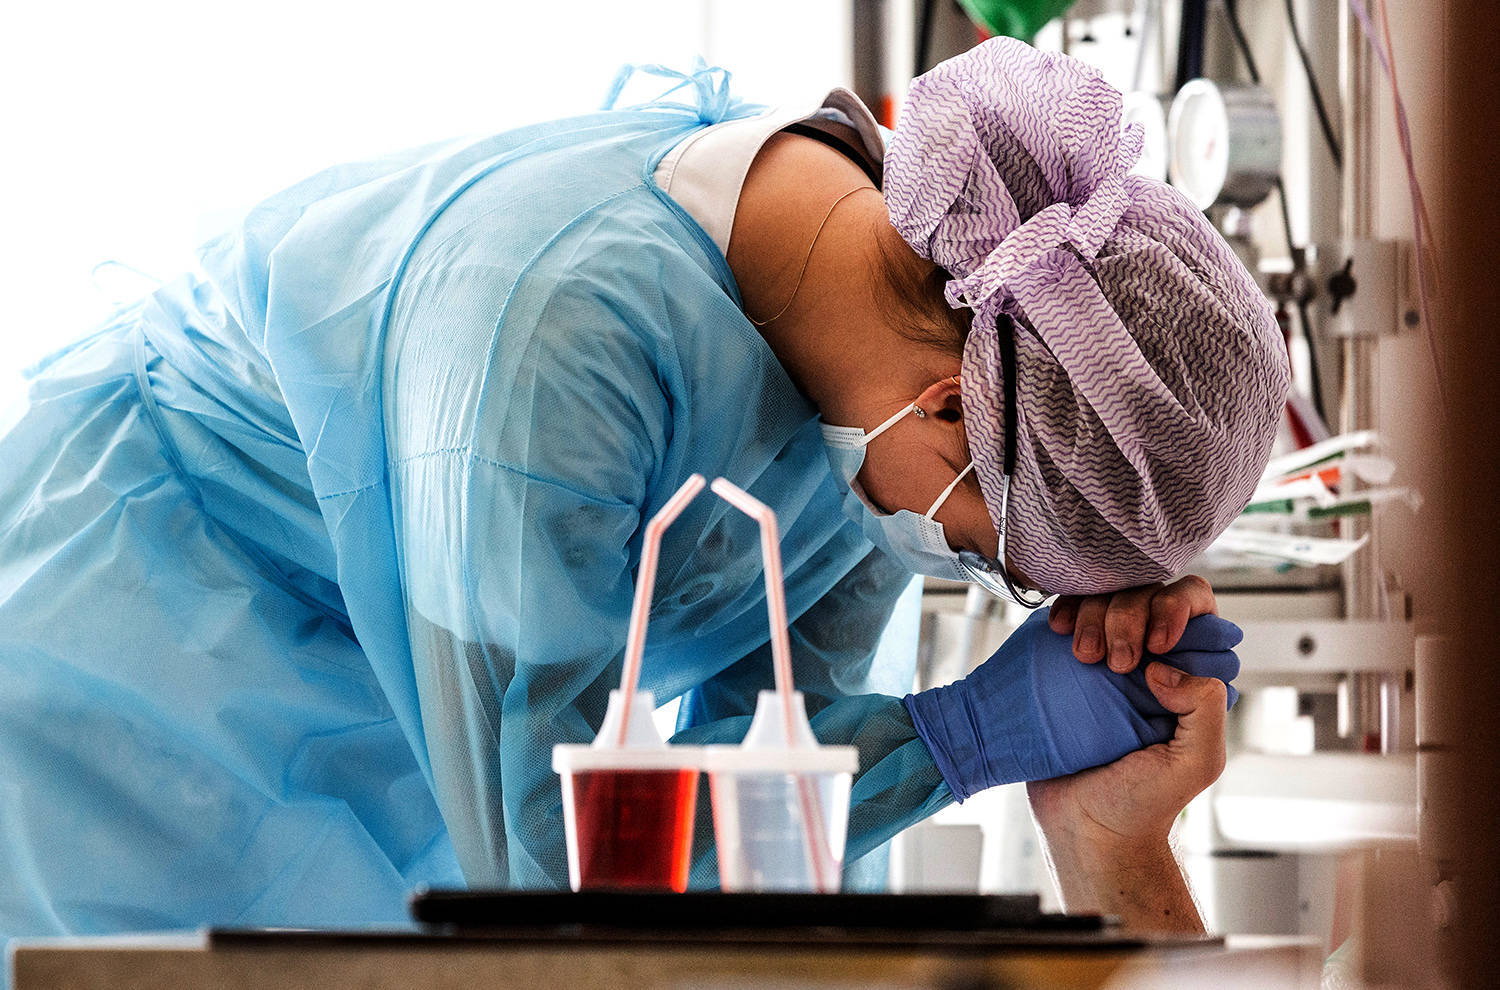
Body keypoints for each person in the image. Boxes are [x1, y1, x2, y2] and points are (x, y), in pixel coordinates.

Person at [0, 37, 1286, 957]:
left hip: (411, 733)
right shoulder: (550, 347)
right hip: (148, 678)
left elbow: (759, 794)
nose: (945, 563)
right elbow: (556, 881)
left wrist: (1078, 805)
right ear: (953, 405)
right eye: (984, 550)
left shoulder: (869, 355)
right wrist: (963, 740)